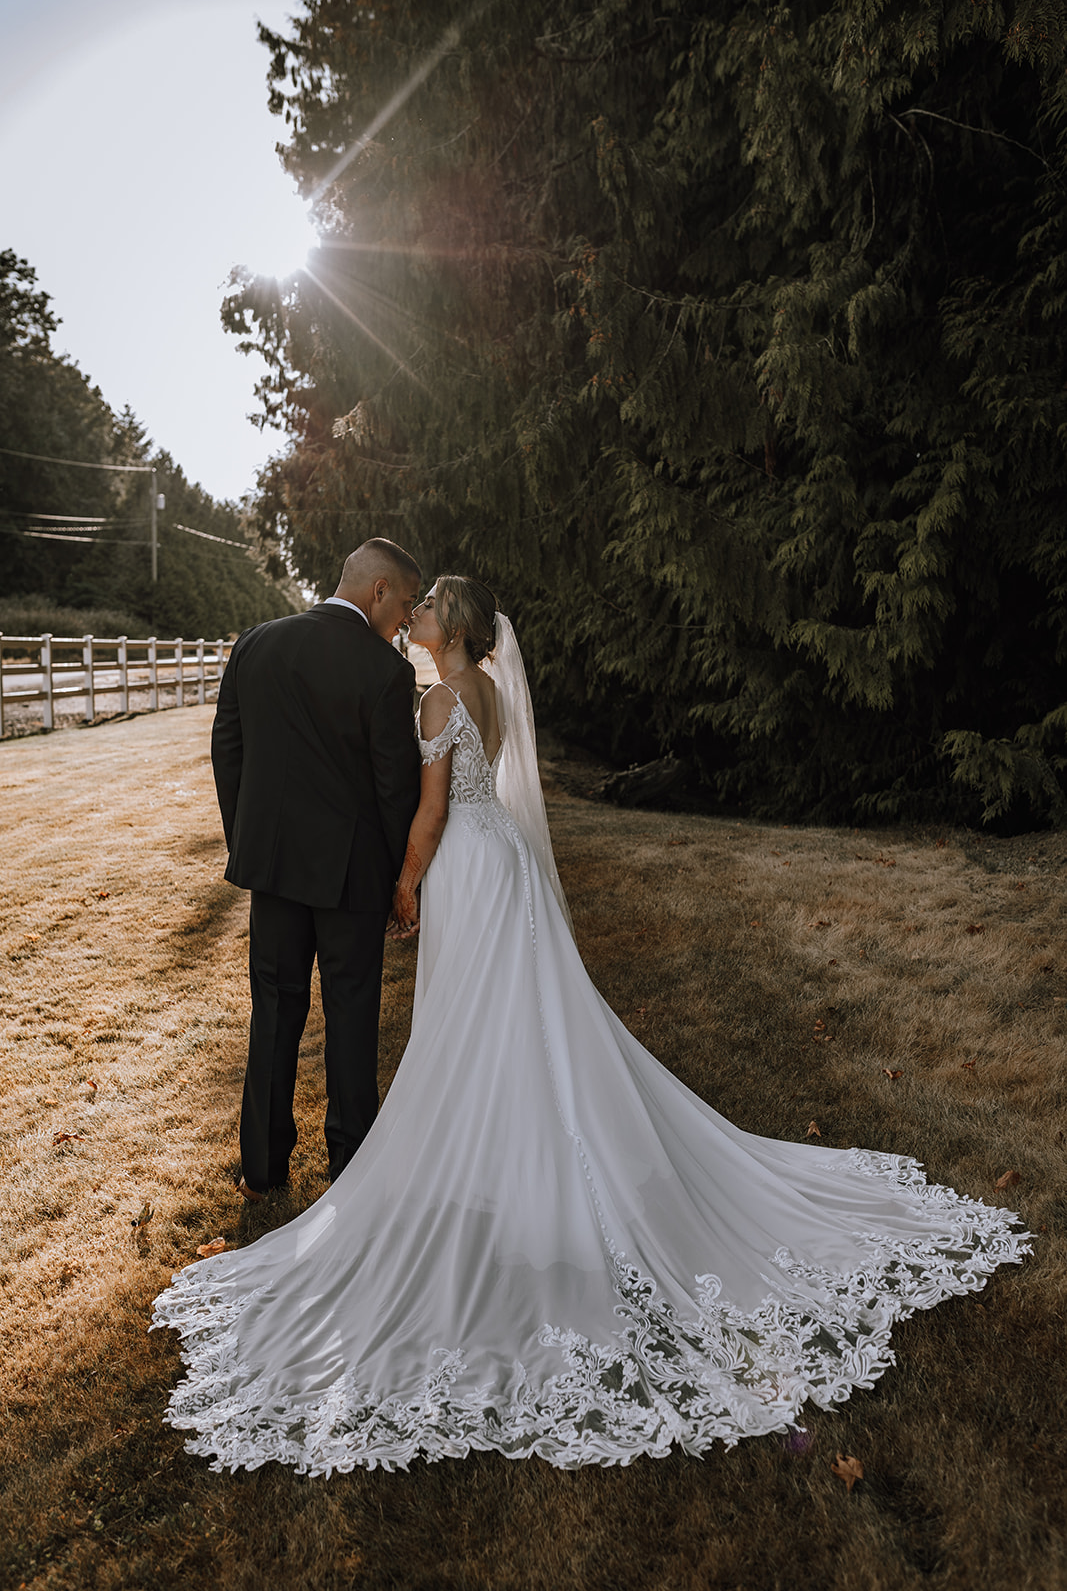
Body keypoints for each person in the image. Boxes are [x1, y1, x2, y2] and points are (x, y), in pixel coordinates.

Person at [155, 576, 1029, 1474]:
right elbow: (470, 786)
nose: (409, 618)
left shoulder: (434, 698)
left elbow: (427, 811)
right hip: (507, 868)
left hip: (460, 867)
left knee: (467, 1022)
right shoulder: (488, 691)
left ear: (447, 629)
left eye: (422, 611)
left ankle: (484, 1172)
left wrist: (407, 881)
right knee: (521, 1017)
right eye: (405, 605)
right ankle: (516, 1153)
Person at [209, 538, 421, 1199]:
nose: (406, 622)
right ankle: (351, 1171)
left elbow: (228, 750)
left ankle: (262, 1171)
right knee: (351, 1018)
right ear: (379, 590)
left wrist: (249, 842)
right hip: (351, 876)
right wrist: (398, 881)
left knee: (273, 1012)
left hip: (272, 868)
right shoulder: (385, 672)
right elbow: (395, 791)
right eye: (406, 604)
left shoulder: (257, 642)